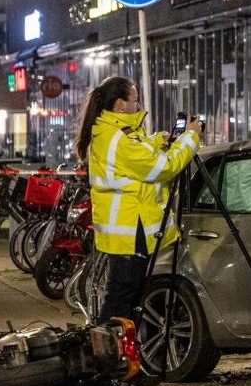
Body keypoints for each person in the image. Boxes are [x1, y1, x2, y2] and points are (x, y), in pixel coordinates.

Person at [74, 77, 202, 323]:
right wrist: (190, 138)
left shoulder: (115, 131)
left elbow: (140, 149)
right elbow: (163, 167)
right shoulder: (120, 138)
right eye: (135, 99)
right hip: (130, 230)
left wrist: (162, 140)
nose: (138, 103)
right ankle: (107, 355)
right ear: (121, 105)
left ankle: (120, 353)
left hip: (127, 230)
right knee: (121, 300)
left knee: (126, 298)